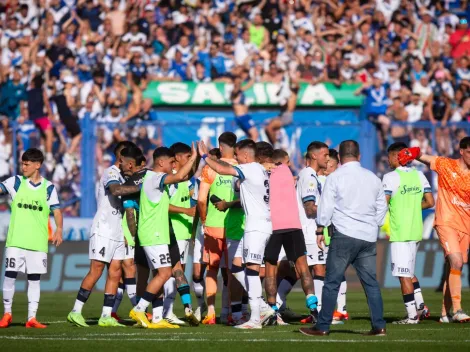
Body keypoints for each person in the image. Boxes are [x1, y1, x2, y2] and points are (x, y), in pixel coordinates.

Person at [300, 140, 388, 337]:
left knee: (332, 282)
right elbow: (382, 206)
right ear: (359, 156)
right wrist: (374, 224)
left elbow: (326, 208)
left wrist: (320, 228)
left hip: (344, 236)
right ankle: (379, 326)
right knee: (371, 283)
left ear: (338, 157)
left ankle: (322, 327)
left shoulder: (335, 177)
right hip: (367, 237)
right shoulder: (373, 177)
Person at [198, 139, 274, 329]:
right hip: (254, 225)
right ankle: (263, 307)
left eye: (238, 155)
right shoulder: (258, 169)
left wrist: (205, 157)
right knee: (236, 265)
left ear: (246, 155)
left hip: (257, 226)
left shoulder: (250, 168)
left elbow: (223, 170)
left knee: (252, 270)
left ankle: (256, 318)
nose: (236, 158)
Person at [67, 141, 142, 328]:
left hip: (117, 229)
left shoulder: (125, 176)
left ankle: (106, 315)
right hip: (103, 229)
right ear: (121, 158)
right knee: (97, 269)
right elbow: (116, 190)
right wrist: (142, 187)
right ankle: (75, 311)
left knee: (115, 271)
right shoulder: (111, 173)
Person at [397, 138, 470, 323]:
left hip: (465, 226)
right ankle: (458, 309)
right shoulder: (447, 165)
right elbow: (425, 157)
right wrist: (414, 153)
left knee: (453, 268)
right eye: (469, 152)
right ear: (461, 151)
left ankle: (445, 314)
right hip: (446, 221)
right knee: (456, 261)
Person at [129, 145, 199, 329]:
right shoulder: (154, 178)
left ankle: (158, 317)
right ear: (161, 162)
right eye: (171, 161)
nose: (173, 164)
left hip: (157, 233)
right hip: (154, 233)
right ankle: (139, 308)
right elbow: (178, 176)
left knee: (160, 274)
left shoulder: (155, 179)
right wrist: (194, 157)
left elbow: (182, 176)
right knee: (165, 273)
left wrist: (195, 160)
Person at [0, 148, 63, 329]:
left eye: (27, 164)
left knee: (34, 280)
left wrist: (59, 229)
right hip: (16, 241)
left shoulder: (48, 187)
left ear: (38, 165)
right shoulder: (16, 182)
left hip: (37, 242)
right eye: (22, 163)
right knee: (9, 276)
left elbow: (57, 211)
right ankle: (7, 314)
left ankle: (31, 318)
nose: (23, 167)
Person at [264, 148, 318, 325]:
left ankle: (272, 312)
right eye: (288, 162)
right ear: (285, 161)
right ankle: (313, 308)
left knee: (271, 269)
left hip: (274, 226)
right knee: (303, 268)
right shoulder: (290, 174)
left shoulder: (266, 174)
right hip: (294, 225)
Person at [383, 142, 434, 324]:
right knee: (409, 272)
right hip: (415, 231)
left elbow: (383, 204)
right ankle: (421, 306)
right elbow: (430, 202)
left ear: (397, 156)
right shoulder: (419, 175)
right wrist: (412, 207)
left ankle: (412, 316)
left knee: (403, 274)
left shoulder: (390, 177)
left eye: (389, 156)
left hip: (401, 232)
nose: (387, 160)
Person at [197, 132, 242, 325]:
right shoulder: (243, 168)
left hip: (214, 224)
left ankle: (211, 313)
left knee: (212, 269)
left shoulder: (209, 169)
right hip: (236, 225)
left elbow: (201, 199)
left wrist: (205, 219)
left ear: (220, 147)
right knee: (233, 270)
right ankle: (232, 312)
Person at [295, 142, 330, 321]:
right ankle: (319, 312)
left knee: (295, 272)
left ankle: (275, 306)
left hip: (308, 231)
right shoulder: (308, 176)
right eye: (325, 155)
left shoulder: (310, 175)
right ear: (314, 156)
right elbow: (310, 209)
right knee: (318, 269)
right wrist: (332, 208)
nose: (328, 158)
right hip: (308, 232)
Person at [111, 147, 146, 321]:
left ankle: (112, 311)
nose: (121, 163)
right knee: (128, 268)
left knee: (125, 274)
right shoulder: (120, 181)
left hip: (130, 231)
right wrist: (131, 235)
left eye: (123, 160)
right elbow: (128, 211)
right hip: (126, 232)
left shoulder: (132, 179)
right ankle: (138, 310)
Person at [163, 142, 196, 325]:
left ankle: (169, 310)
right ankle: (167, 311)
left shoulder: (184, 180)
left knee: (175, 271)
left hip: (183, 232)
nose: (189, 160)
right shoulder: (171, 180)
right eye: (187, 156)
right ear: (176, 160)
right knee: (172, 272)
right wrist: (185, 211)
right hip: (173, 231)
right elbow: (162, 207)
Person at [314, 148, 348, 324]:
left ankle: (340, 309)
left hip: (336, 230)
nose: (327, 168)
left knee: (335, 270)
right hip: (328, 231)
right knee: (333, 270)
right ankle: (339, 308)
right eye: (326, 165)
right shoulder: (323, 180)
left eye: (331, 165)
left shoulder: (338, 182)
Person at [264, 71, 298, 145]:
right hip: (283, 115)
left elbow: (297, 85)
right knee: (267, 125)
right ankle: (276, 143)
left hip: (287, 116)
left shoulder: (293, 93)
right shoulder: (286, 91)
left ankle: (276, 145)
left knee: (269, 128)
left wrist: (290, 76)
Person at [231, 76, 257, 141]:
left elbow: (249, 84)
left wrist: (255, 75)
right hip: (242, 117)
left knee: (250, 136)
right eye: (237, 82)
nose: (238, 83)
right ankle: (251, 150)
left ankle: (247, 149)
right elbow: (237, 90)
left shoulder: (240, 91)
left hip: (245, 116)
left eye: (239, 82)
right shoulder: (233, 92)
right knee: (254, 135)